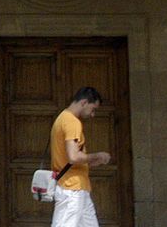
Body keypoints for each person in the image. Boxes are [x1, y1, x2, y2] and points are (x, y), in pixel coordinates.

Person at [50, 87, 112, 227]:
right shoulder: (72, 122)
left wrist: (90, 162)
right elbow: (73, 156)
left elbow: (68, 158)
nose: (93, 114)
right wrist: (98, 155)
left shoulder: (62, 118)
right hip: (72, 188)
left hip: (76, 187)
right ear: (84, 102)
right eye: (92, 109)